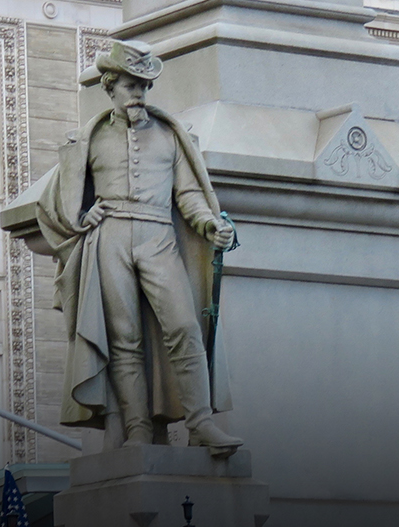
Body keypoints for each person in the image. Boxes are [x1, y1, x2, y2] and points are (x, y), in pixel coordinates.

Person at [34, 40, 243, 455]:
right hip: (109, 236)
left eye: (144, 87)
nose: (138, 95)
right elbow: (61, 200)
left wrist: (209, 224)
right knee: (124, 340)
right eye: (131, 86)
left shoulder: (170, 136)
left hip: (158, 235)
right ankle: (138, 428)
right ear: (110, 87)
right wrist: (80, 217)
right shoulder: (88, 139)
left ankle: (200, 422)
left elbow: (188, 195)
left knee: (185, 328)